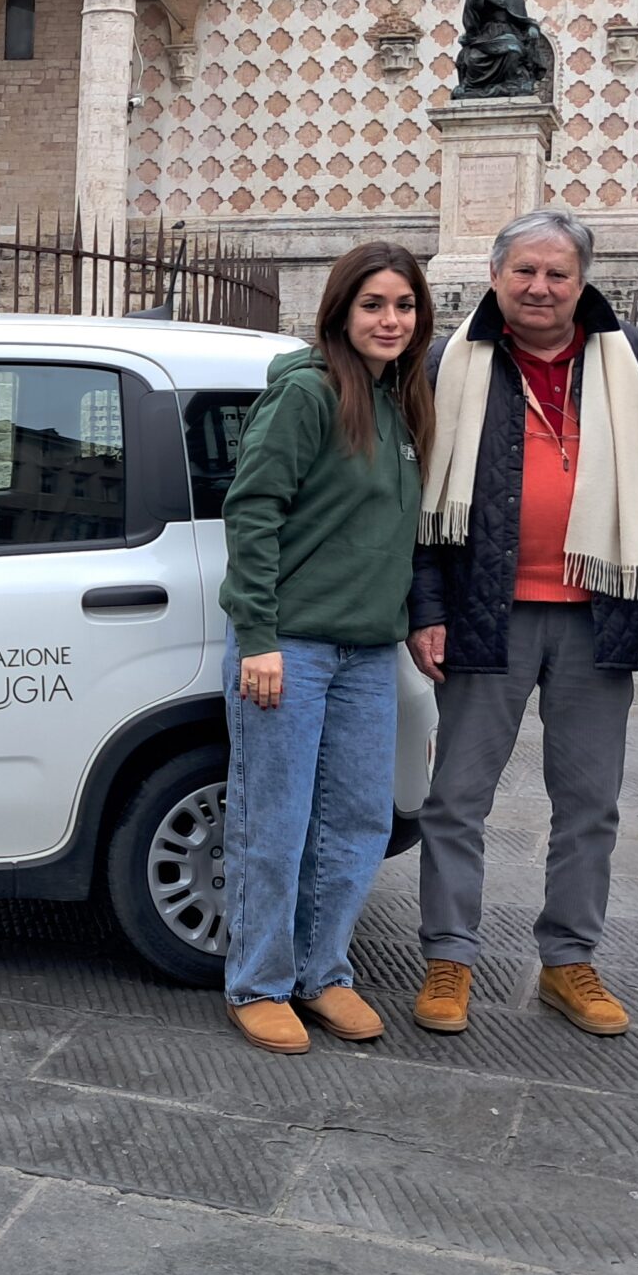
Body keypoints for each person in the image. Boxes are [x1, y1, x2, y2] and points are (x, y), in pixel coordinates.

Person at [408, 210, 638, 1037]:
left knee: (590, 802)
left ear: (582, 282)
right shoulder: (449, 361)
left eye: (558, 274)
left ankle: (570, 960)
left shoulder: (628, 358)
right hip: (483, 613)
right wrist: (427, 610)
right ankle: (450, 955)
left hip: (601, 616)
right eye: (525, 271)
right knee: (456, 798)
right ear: (496, 276)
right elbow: (414, 493)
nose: (540, 287)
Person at [219, 242, 434, 1054]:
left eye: (403, 306)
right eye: (374, 304)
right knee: (273, 821)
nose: (390, 320)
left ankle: (324, 973)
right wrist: (260, 639)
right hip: (292, 650)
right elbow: (255, 511)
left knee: (354, 822)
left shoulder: (400, 403)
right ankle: (259, 983)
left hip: (367, 656)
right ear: (342, 310)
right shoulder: (308, 396)